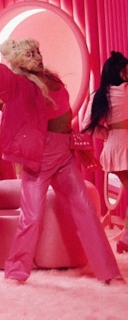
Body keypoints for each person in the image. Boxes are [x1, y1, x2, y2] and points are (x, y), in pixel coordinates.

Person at [0, 39, 123, 284]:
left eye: (37, 51)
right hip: (39, 159)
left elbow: (64, 115)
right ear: (19, 61)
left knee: (85, 209)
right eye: (29, 54)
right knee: (31, 216)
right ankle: (16, 271)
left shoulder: (52, 78)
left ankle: (109, 272)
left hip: (64, 154)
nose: (37, 57)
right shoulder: (19, 83)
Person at [82, 51, 128, 253]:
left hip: (113, 147)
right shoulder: (125, 89)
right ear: (119, 71)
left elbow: (86, 126)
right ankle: (125, 240)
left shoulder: (98, 95)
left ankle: (125, 239)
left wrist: (108, 134)